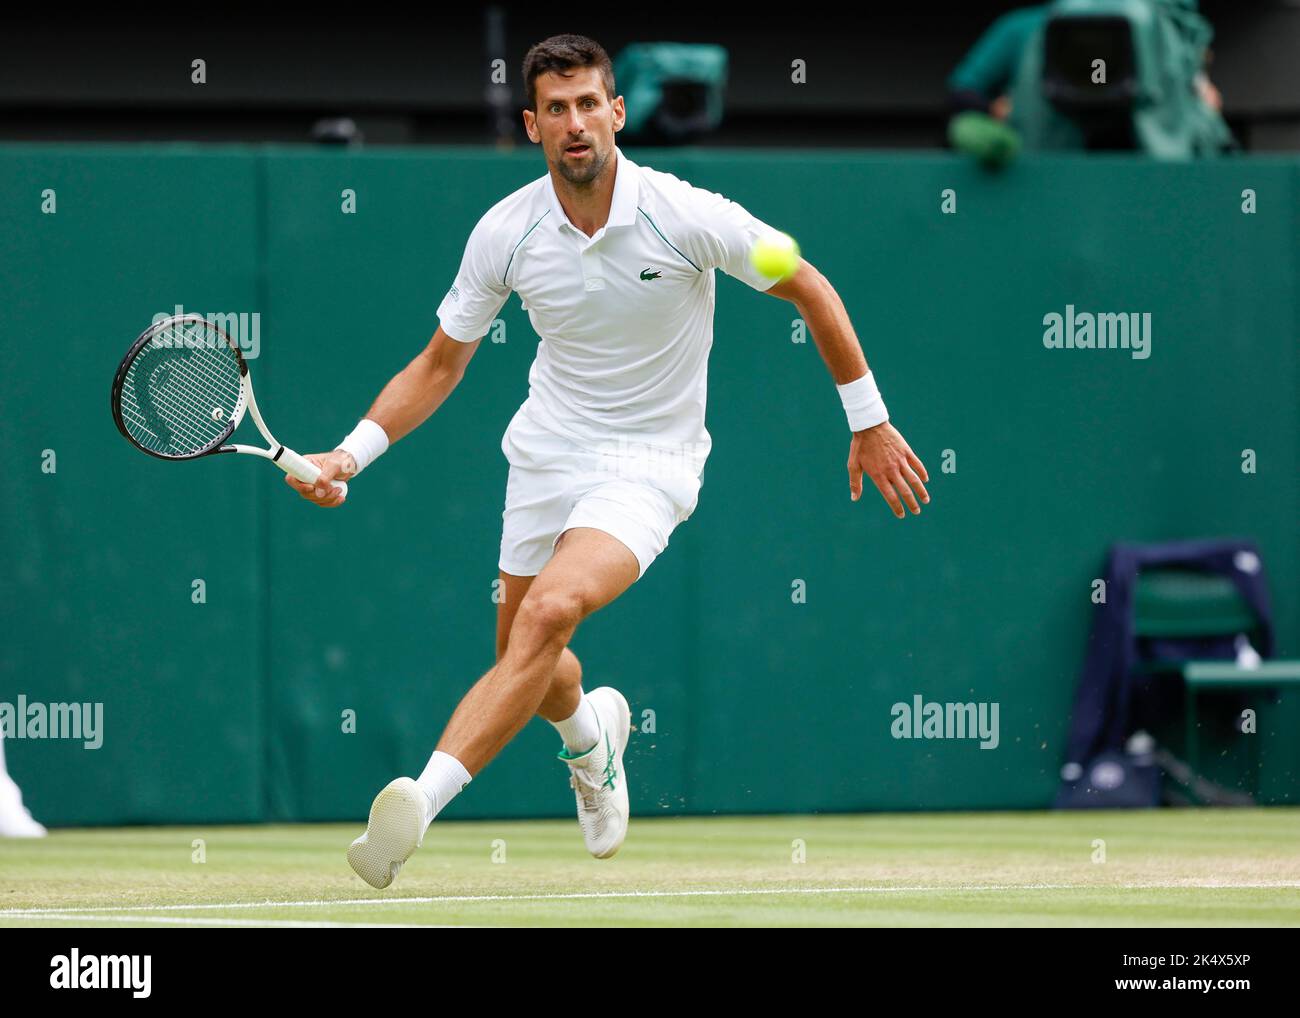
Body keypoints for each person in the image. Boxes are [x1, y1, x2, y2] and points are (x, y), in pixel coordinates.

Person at [286, 34, 930, 889]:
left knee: (550, 614)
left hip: (651, 463)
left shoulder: (690, 213)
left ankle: (419, 802)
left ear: (617, 113)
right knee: (529, 656)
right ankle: (593, 743)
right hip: (546, 453)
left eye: (590, 103)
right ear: (532, 125)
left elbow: (807, 283)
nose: (576, 122)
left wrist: (868, 420)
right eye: (557, 109)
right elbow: (441, 363)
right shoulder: (504, 234)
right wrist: (352, 454)